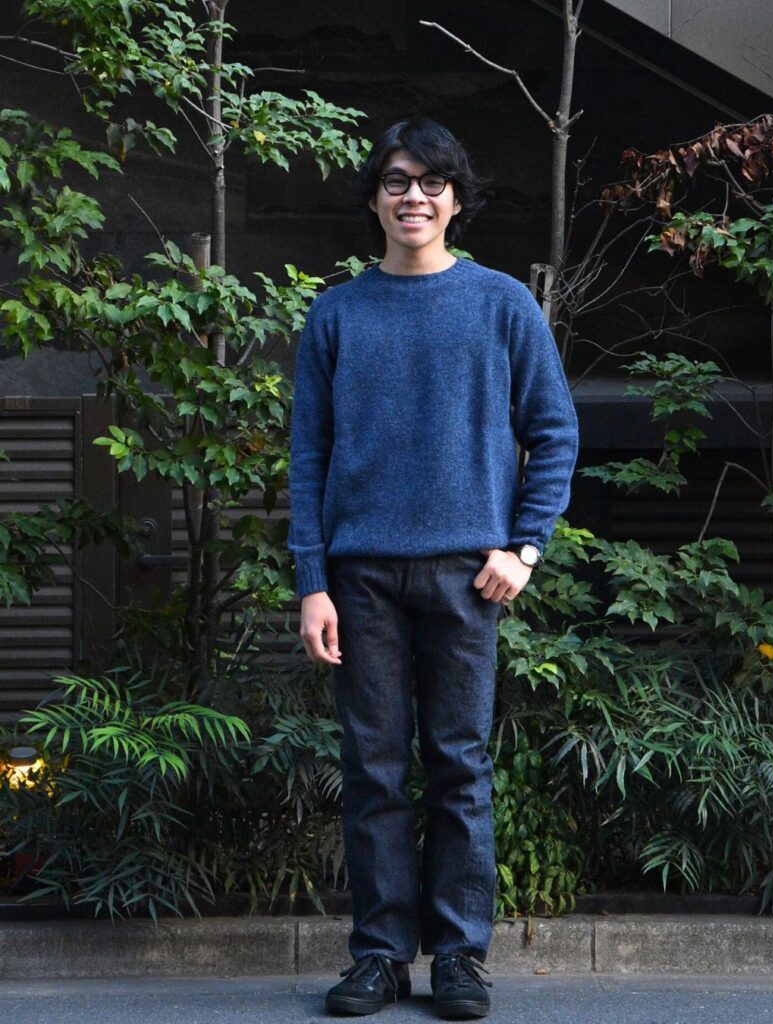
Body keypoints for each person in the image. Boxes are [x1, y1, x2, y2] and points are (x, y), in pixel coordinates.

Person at [287, 117, 579, 1019]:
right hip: (361, 577)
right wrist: (312, 583)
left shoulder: (501, 304)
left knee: (458, 767)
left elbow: (554, 433)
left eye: (431, 182)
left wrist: (524, 548)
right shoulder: (336, 313)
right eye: (396, 181)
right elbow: (308, 456)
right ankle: (379, 957)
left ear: (455, 199)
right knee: (373, 770)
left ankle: (458, 958)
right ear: (374, 199)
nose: (413, 196)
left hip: (466, 574)